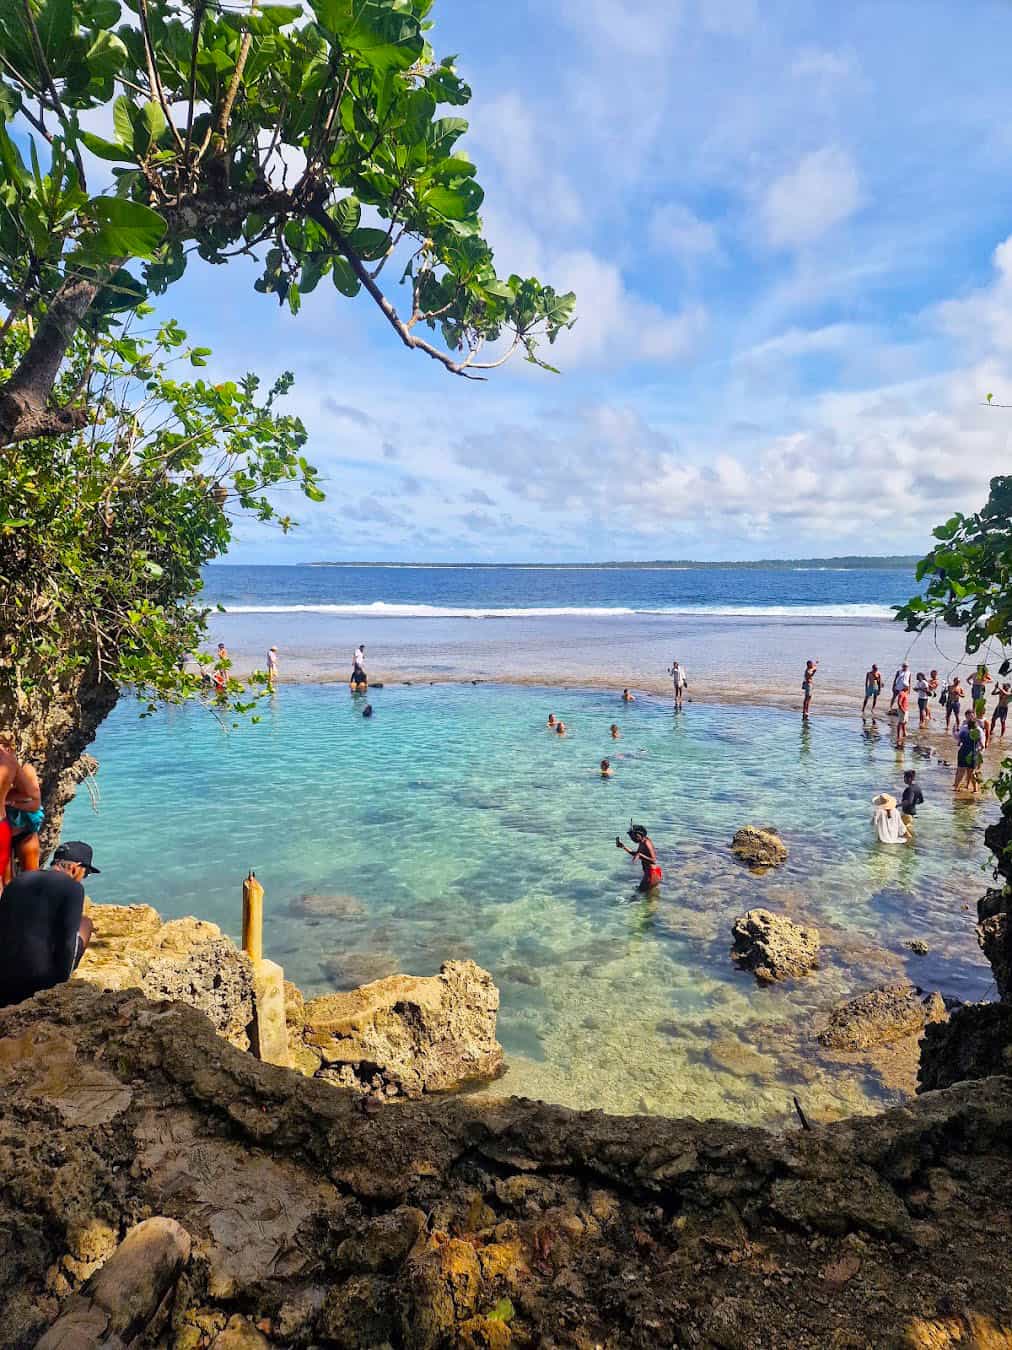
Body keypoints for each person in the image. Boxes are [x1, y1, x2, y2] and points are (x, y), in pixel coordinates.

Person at [0, 841, 98, 1007]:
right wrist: (60, 985)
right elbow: (69, 943)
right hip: (38, 982)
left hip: (3, 980)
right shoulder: (73, 888)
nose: (83, 878)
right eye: (86, 873)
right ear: (75, 868)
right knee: (85, 923)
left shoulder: (20, 880)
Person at [616, 824, 662, 889]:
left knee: (638, 894)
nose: (632, 839)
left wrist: (639, 855)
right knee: (648, 895)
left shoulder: (646, 843)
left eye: (634, 836)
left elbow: (653, 861)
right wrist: (623, 847)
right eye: (631, 837)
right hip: (652, 873)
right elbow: (636, 854)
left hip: (652, 873)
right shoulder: (642, 842)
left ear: (639, 835)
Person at [954, 713, 979, 791]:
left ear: (968, 725)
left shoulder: (964, 732)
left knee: (961, 770)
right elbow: (981, 745)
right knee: (972, 772)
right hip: (973, 753)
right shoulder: (977, 733)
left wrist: (954, 730)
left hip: (963, 752)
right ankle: (975, 789)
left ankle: (956, 787)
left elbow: (958, 742)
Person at [900, 769, 924, 839]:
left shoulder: (909, 789)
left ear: (909, 778)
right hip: (912, 814)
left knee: (905, 833)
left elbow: (908, 801)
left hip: (906, 813)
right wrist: (914, 803)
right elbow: (921, 801)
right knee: (909, 831)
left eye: (904, 777)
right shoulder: (918, 788)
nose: (904, 779)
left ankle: (908, 846)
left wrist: (897, 805)